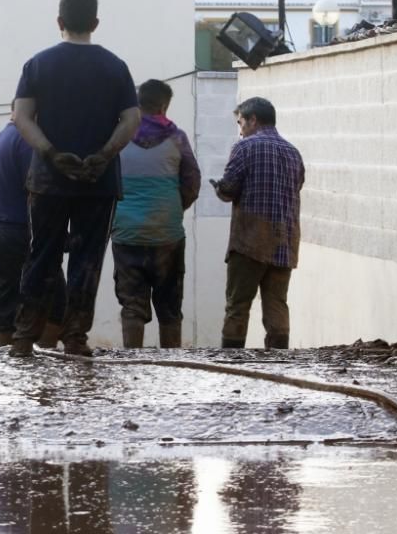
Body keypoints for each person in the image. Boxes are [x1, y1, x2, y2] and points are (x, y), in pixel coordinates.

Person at [10, 0, 141, 357]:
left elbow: (21, 116)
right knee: (88, 258)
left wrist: (51, 153)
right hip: (98, 183)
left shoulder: (37, 64)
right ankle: (75, 338)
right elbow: (132, 119)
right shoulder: (116, 67)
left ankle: (23, 337)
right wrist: (103, 155)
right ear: (95, 23)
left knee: (42, 254)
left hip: (49, 179)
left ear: (59, 22)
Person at [111, 79, 201, 349]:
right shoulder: (177, 138)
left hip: (126, 234)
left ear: (137, 104)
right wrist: (173, 207)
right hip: (167, 235)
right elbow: (192, 181)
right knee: (170, 307)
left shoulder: (118, 137)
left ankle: (132, 360)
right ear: (164, 105)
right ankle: (171, 365)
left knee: (131, 305)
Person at [212, 97, 304, 349]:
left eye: (241, 122)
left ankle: (232, 362)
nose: (240, 129)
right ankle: (277, 362)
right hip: (284, 242)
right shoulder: (293, 152)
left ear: (253, 120)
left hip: (249, 241)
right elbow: (297, 187)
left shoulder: (244, 147)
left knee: (237, 305)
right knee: (277, 304)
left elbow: (229, 189)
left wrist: (219, 189)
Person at [0, 107, 66, 348]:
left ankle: (6, 361)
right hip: (21, 231)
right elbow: (35, 189)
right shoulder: (26, 141)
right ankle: (42, 361)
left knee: (7, 305)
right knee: (58, 305)